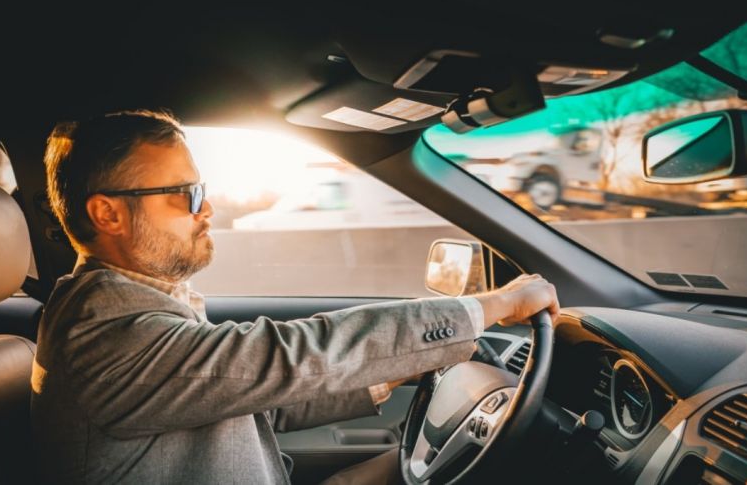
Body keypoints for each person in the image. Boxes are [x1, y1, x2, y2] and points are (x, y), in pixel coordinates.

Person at [31, 109, 559, 484]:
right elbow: (287, 356)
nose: (207, 209)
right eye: (187, 194)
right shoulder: (102, 331)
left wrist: (397, 370)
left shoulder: (137, 307)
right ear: (108, 213)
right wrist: (487, 309)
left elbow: (248, 400)